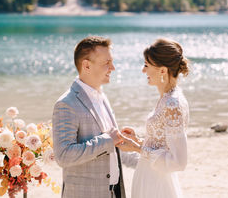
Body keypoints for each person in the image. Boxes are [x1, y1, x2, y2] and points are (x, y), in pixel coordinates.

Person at [52, 36, 127, 198]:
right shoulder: (66, 104)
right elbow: (63, 155)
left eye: (111, 61)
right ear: (86, 66)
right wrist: (107, 140)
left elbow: (111, 147)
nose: (112, 67)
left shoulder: (101, 95)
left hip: (114, 192)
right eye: (106, 63)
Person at [117, 38, 190, 198]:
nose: (143, 71)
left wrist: (136, 148)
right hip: (148, 176)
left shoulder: (172, 104)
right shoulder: (167, 99)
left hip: (157, 184)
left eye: (146, 65)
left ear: (162, 70)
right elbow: (162, 145)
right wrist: (138, 140)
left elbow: (178, 161)